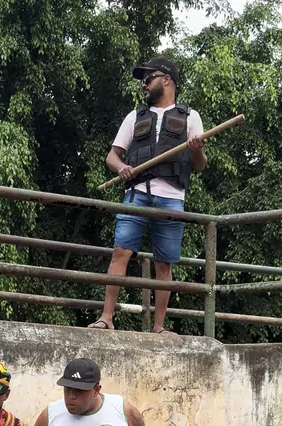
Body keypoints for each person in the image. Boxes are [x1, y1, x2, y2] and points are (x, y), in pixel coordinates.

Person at [88, 56, 207, 335]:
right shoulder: (135, 116)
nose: (144, 85)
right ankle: (106, 317)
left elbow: (200, 165)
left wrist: (197, 149)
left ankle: (159, 327)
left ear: (166, 80)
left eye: (147, 79)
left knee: (164, 263)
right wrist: (121, 167)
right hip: (136, 194)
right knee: (120, 252)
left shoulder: (191, 117)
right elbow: (112, 157)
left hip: (172, 198)